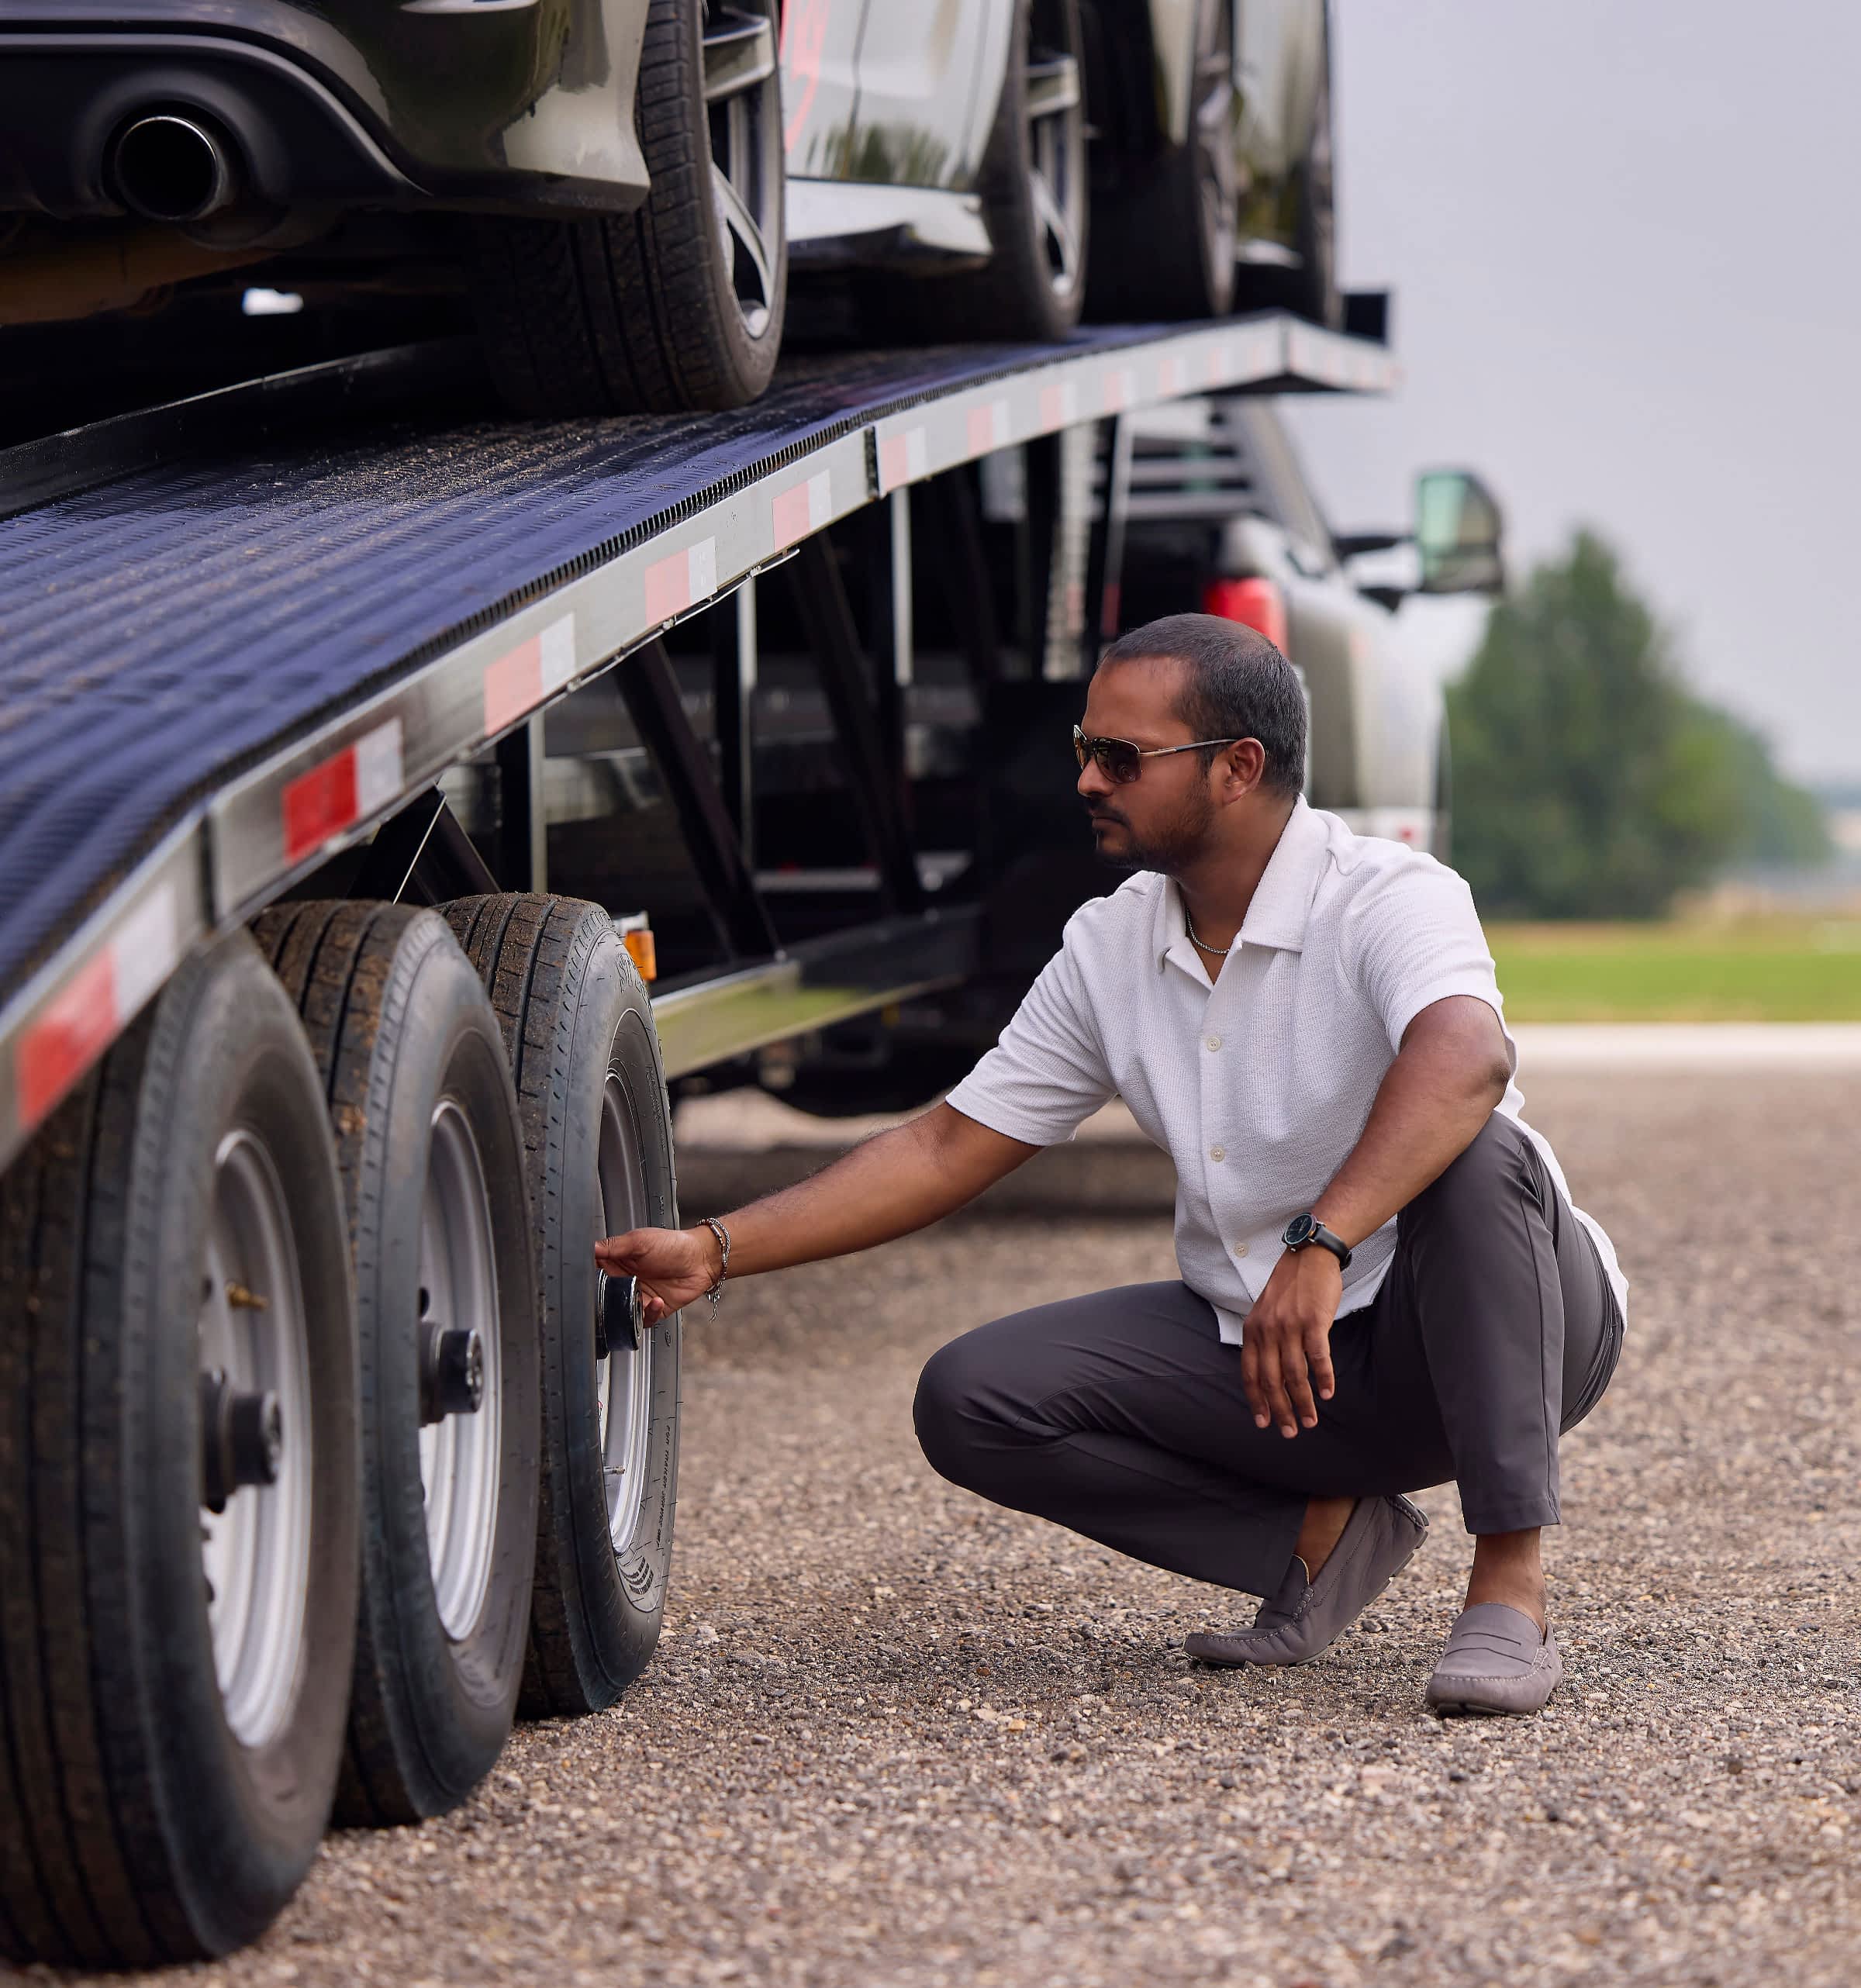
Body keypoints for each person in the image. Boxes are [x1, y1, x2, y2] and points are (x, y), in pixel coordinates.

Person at [597, 613, 1625, 1717]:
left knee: (1482, 1157)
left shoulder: (1387, 893)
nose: (1088, 781)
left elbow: (1469, 1056)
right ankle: (1322, 1537)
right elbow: (947, 1144)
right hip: (1292, 1359)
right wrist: (716, 1249)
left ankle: (1510, 1588)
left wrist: (1322, 1242)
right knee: (976, 1398)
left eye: (1121, 758)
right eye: (1084, 752)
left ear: (1238, 768)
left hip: (1498, 1330)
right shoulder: (1110, 944)